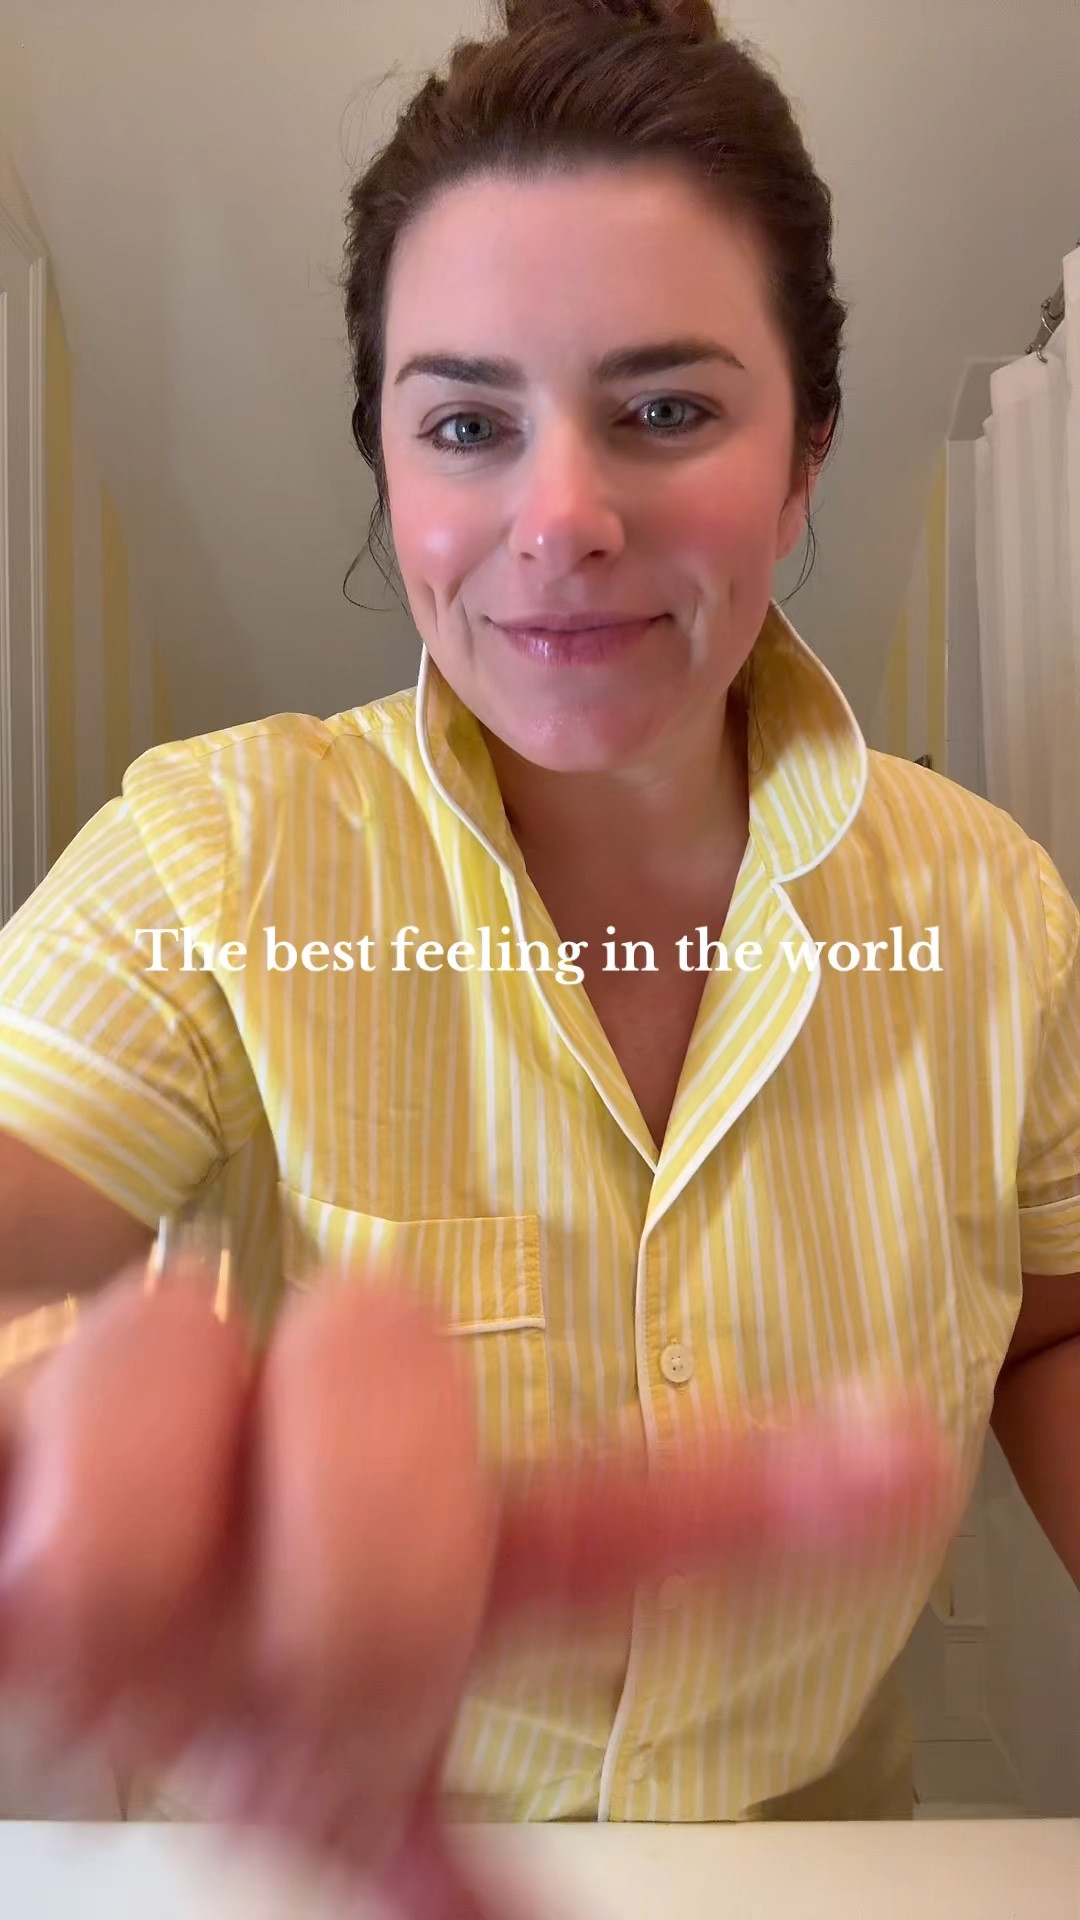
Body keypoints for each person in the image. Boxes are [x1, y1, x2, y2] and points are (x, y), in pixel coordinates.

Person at [0, 0, 1077, 1905]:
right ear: (387, 463)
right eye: (467, 424)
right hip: (305, 1871)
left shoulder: (993, 909)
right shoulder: (210, 853)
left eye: (667, 410)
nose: (560, 517)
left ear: (808, 452)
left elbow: (1056, 1325)